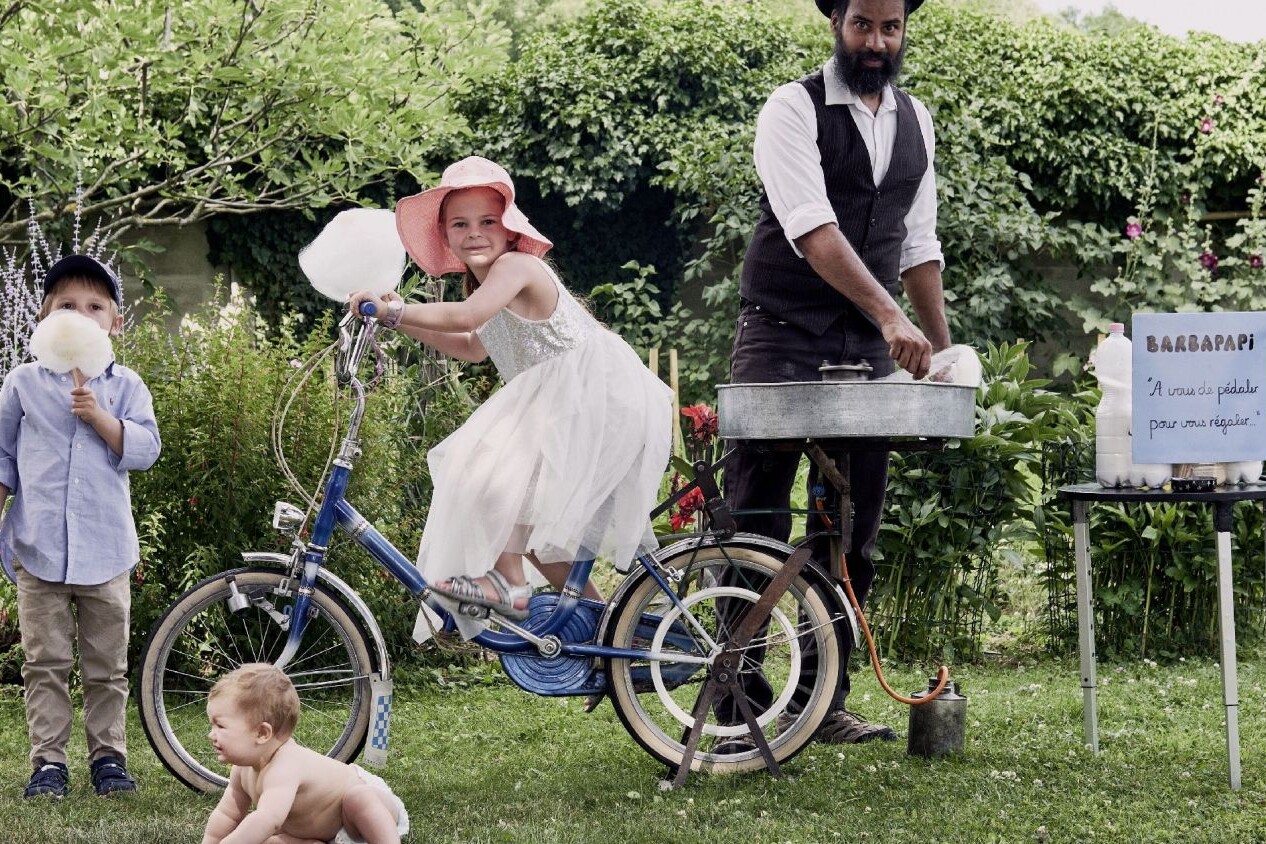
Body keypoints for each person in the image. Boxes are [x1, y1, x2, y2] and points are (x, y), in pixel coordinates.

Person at [723, 0, 951, 745]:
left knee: (850, 532)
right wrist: (891, 317)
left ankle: (821, 704)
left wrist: (939, 356)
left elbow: (918, 246)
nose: (877, 42)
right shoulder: (790, 109)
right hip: (782, 332)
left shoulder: (916, 121)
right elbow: (813, 231)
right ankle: (737, 698)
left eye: (891, 27)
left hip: (868, 350)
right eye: (863, 26)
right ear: (836, 23)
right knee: (754, 520)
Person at [347, 156, 671, 632]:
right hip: (563, 400)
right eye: (460, 224)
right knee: (530, 526)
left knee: (482, 474)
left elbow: (464, 318)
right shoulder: (488, 284)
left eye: (487, 222)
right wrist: (401, 323)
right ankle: (607, 631)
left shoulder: (517, 266)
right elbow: (473, 346)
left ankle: (509, 585)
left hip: (593, 397)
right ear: (446, 235)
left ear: (509, 229)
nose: (474, 232)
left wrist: (396, 310)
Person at [0, 255, 162, 797]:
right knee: (44, 662)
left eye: (95, 307)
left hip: (106, 549)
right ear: (45, 319)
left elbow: (145, 449)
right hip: (37, 547)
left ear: (115, 323)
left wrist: (98, 417)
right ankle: (48, 761)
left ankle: (108, 758)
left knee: (106, 665)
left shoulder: (127, 385)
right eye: (67, 305)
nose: (82, 314)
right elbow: (2, 460)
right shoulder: (22, 382)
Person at [201, 663, 409, 844]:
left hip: (358, 820)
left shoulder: (286, 764)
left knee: (359, 799)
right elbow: (226, 815)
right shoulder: (242, 769)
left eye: (220, 725)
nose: (212, 734)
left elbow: (268, 818)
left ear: (262, 733)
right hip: (321, 833)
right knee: (262, 838)